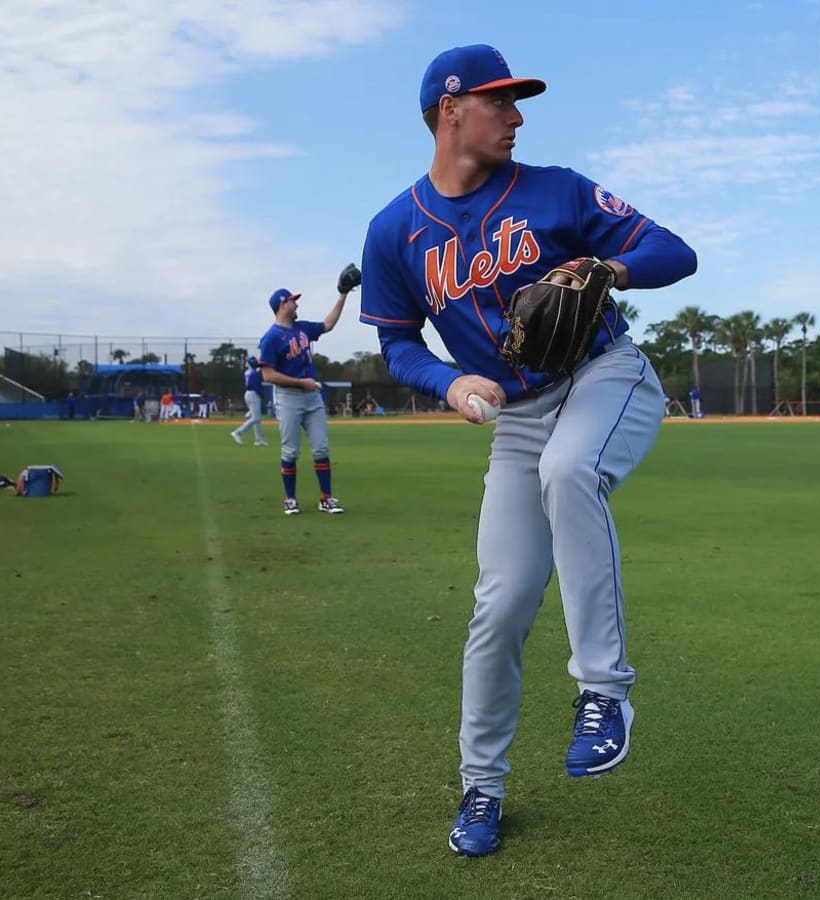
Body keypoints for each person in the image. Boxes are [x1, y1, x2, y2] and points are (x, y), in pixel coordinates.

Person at [359, 43, 697, 858]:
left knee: (570, 470)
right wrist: (447, 384)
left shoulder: (556, 189)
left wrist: (606, 266)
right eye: (499, 101)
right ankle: (481, 788)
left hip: (603, 376)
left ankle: (604, 694)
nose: (516, 116)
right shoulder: (394, 231)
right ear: (450, 109)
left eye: (518, 103)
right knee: (500, 606)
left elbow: (674, 251)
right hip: (514, 415)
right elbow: (398, 344)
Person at [257, 280, 351, 514]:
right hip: (289, 397)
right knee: (290, 451)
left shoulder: (303, 329)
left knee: (321, 449)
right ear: (281, 305)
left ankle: (326, 498)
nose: (296, 303)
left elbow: (328, 324)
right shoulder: (271, 338)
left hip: (312, 397)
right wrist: (301, 382)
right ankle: (290, 499)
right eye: (291, 300)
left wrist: (343, 294)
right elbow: (267, 374)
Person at [231, 356, 269, 446]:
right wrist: (263, 396)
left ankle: (258, 440)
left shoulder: (247, 372)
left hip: (248, 394)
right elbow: (257, 386)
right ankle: (238, 432)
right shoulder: (255, 373)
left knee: (257, 418)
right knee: (256, 418)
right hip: (253, 394)